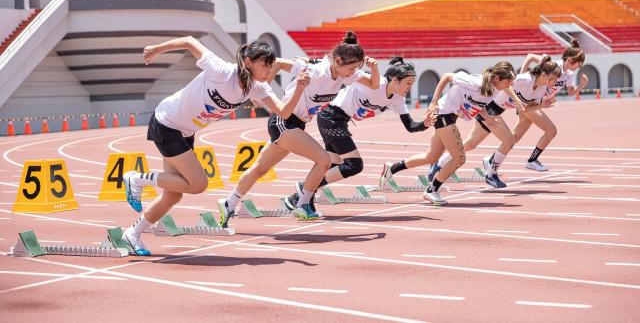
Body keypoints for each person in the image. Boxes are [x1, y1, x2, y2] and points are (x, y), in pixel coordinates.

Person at [119, 37, 309, 255]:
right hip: (167, 122)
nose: (269, 70)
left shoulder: (257, 88)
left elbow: (283, 112)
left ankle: (131, 234)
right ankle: (136, 179)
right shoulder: (221, 71)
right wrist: (156, 49)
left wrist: (300, 88)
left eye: (271, 65)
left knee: (173, 195)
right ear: (248, 61)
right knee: (198, 184)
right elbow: (190, 42)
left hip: (185, 131)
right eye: (265, 64)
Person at [218, 31, 379, 225]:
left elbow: (373, 84)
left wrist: (374, 68)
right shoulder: (316, 71)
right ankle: (302, 204)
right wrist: (261, 90)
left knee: (260, 168)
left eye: (356, 69)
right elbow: (277, 62)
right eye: (351, 68)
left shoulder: (344, 76)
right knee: (324, 160)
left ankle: (228, 203)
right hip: (283, 121)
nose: (353, 72)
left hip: (297, 124)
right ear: (338, 61)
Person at [284, 56, 434, 214]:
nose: (409, 88)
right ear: (395, 80)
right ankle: (304, 189)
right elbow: (343, 71)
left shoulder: (397, 100)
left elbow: (410, 126)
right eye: (408, 83)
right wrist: (315, 62)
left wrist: (425, 124)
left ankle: (298, 197)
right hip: (331, 116)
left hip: (341, 121)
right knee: (354, 165)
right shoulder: (374, 84)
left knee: (334, 165)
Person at [381, 62, 523, 205]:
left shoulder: (493, 89)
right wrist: (434, 102)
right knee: (459, 158)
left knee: (431, 157)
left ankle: (391, 169)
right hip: (443, 114)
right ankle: (432, 190)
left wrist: (487, 119)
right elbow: (447, 77)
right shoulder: (475, 82)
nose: (510, 84)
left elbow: (478, 104)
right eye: (508, 81)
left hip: (449, 116)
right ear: (497, 78)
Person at [425, 57, 560, 188]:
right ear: (543, 74)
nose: (554, 83)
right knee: (509, 140)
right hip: (489, 108)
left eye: (556, 80)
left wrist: (542, 105)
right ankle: (491, 172)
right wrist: (516, 99)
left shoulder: (541, 90)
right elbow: (507, 83)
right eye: (552, 79)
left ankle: (439, 164)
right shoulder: (525, 79)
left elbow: (526, 109)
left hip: (492, 110)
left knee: (470, 144)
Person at [517, 40, 587, 171]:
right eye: (579, 64)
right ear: (571, 60)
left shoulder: (569, 74)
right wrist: (522, 75)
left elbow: (571, 92)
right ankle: (531, 160)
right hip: (531, 101)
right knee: (551, 131)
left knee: (514, 137)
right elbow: (530, 56)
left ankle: (492, 160)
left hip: (536, 103)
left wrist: (582, 85)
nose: (579, 68)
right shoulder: (552, 65)